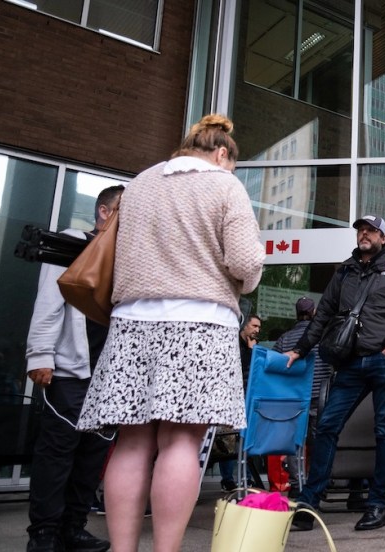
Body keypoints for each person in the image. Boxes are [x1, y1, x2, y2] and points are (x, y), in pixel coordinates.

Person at [76, 114, 265, 552]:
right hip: (198, 322)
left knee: (131, 441)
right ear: (222, 154)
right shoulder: (224, 185)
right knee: (181, 441)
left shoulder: (139, 183)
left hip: (131, 322)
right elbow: (243, 263)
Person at [286, 214, 385, 532]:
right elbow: (322, 315)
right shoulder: (345, 273)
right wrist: (301, 349)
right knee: (326, 427)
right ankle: (310, 502)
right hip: (350, 363)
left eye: (371, 230)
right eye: (360, 230)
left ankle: (378, 504)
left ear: (383, 237)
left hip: (384, 363)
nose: (364, 234)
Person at [25, 185, 124, 552]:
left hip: (107, 375)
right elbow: (50, 299)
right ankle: (44, 534)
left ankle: (73, 527)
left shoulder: (125, 256)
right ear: (103, 212)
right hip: (69, 370)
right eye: (121, 211)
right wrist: (39, 355)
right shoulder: (70, 243)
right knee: (57, 453)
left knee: (91, 455)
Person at [273, 296, 333, 495]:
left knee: (296, 440)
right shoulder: (323, 337)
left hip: (295, 397)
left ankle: (297, 484)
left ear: (296, 313)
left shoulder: (284, 339)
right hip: (319, 397)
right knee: (318, 440)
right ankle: (317, 483)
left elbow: (275, 368)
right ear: (314, 312)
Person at [219, 313, 263, 491]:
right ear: (244, 326)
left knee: (248, 439)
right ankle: (228, 480)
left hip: (249, 398)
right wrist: (252, 351)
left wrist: (253, 351)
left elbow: (257, 371)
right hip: (231, 397)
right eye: (254, 326)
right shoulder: (233, 343)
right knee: (228, 440)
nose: (257, 330)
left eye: (259, 327)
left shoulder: (254, 347)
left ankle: (248, 478)